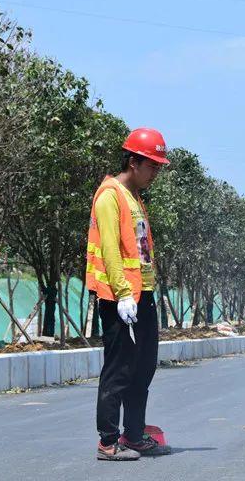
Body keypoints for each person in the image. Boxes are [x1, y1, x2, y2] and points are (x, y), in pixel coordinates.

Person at [85, 127, 172, 461]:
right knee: (119, 367)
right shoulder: (110, 195)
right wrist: (123, 294)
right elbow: (109, 247)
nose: (156, 173)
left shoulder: (133, 197)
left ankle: (134, 434)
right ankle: (108, 441)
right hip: (117, 296)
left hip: (142, 292)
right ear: (134, 162)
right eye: (152, 166)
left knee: (144, 365)